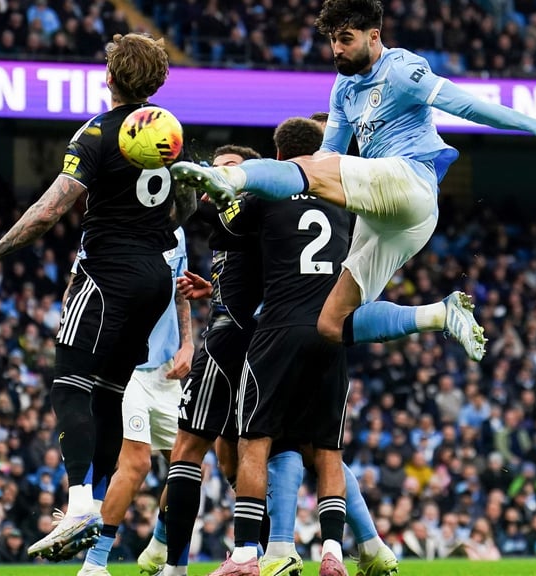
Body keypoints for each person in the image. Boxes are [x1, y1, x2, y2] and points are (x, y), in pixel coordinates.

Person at [170, 0, 536, 363]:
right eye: (333, 40)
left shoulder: (400, 68)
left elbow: (464, 104)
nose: (337, 49)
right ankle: (440, 315)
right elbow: (327, 158)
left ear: (374, 36)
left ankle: (226, 175)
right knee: (331, 323)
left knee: (309, 171)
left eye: (346, 39)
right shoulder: (343, 89)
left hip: (410, 180)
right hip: (394, 216)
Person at [0, 32, 193, 561]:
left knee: (70, 383)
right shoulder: (168, 130)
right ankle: (90, 503)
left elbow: (50, 210)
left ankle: (80, 504)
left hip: (105, 277)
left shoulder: (96, 134)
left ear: (111, 76)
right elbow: (184, 200)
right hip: (155, 277)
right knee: (110, 391)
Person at [209, 115, 352, 576]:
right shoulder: (346, 200)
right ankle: (332, 553)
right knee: (329, 451)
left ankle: (248, 554)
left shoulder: (266, 195)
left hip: (277, 332)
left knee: (255, 443)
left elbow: (228, 232)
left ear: (277, 157)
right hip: (333, 330)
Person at [149, 145, 264, 576]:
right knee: (234, 459)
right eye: (215, 170)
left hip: (227, 343)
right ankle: (267, 555)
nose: (219, 177)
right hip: (256, 343)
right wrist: (214, 290)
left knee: (187, 450)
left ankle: (175, 568)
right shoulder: (241, 220)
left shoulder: (248, 209)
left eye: (230, 169)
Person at [78, 226, 194, 576]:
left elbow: (181, 291)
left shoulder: (175, 231)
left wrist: (187, 343)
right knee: (136, 464)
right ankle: (94, 564)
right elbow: (80, 290)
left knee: (186, 465)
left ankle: (161, 547)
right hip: (123, 368)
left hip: (166, 370)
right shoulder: (106, 224)